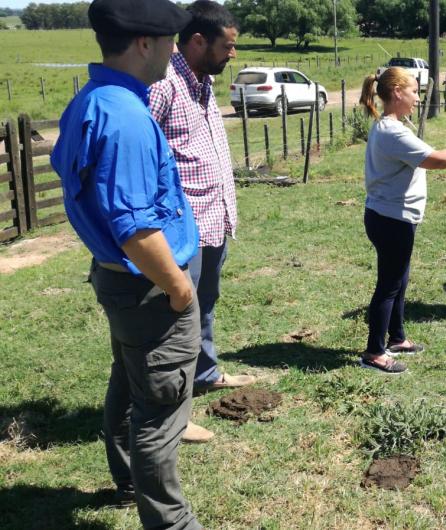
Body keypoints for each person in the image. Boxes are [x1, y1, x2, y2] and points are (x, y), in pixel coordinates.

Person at [50, 0, 202, 528]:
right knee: (160, 412)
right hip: (150, 289)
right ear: (144, 43)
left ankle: (125, 479)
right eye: (169, 41)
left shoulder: (92, 100)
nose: (174, 50)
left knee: (130, 382)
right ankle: (171, 521)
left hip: (119, 282)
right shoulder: (128, 118)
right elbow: (137, 231)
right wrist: (179, 289)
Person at [148, 0, 253, 444]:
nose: (233, 55)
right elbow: (142, 153)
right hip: (181, 228)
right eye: (227, 46)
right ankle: (174, 410)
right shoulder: (164, 84)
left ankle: (206, 373)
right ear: (197, 41)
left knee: (204, 303)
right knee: (175, 322)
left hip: (213, 218)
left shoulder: (202, 82)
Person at [358, 67, 446, 373]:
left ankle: (397, 338)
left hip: (390, 215)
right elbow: (440, 160)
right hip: (392, 219)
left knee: (399, 279)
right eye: (414, 91)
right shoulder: (392, 131)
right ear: (397, 93)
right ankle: (374, 353)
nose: (418, 98)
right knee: (389, 285)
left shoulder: (391, 125)